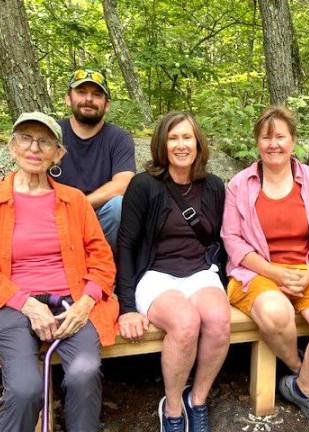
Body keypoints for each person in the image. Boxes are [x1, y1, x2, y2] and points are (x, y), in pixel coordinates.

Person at [0, 112, 118, 432]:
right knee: (26, 388)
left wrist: (86, 303)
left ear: (58, 153)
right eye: (25, 138)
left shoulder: (73, 201)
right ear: (12, 146)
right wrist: (26, 303)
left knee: (84, 373)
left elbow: (102, 257)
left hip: (70, 301)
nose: (34, 148)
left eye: (45, 141)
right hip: (11, 304)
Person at [221, 106, 309, 428]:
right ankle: (299, 366)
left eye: (280, 136)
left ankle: (301, 388)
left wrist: (308, 274)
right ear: (257, 143)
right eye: (266, 137)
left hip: (307, 267)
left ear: (292, 141)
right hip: (257, 271)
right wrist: (275, 273)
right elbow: (233, 240)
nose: (273, 144)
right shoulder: (240, 184)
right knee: (276, 313)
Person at [116, 112, 229, 432]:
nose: (181, 145)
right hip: (156, 275)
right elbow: (125, 246)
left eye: (187, 137)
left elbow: (222, 240)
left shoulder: (214, 186)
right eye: (173, 138)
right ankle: (175, 408)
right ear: (162, 145)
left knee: (219, 322)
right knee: (185, 322)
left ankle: (199, 400)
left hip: (200, 272)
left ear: (198, 143)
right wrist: (125, 307)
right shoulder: (143, 185)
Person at [53, 68, 136, 252]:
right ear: (68, 98)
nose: (89, 99)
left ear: (106, 104)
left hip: (99, 217)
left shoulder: (119, 138)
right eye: (81, 92)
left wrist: (79, 204)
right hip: (55, 215)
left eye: (97, 94)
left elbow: (123, 184)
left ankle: (107, 268)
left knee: (118, 207)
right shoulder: (51, 133)